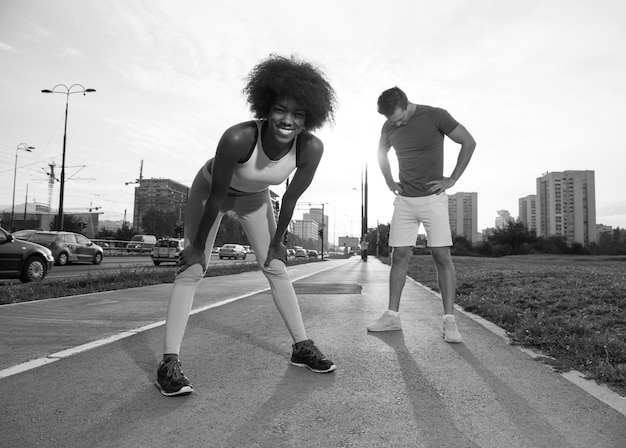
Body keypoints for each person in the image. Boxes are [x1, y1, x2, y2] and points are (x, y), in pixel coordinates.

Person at [156, 55, 338, 397]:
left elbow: (289, 199)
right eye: (280, 110)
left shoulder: (311, 148)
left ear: (308, 118)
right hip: (210, 192)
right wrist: (195, 245)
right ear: (266, 108)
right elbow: (215, 198)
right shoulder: (238, 138)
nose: (287, 120)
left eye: (298, 114)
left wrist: (278, 241)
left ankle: (302, 346)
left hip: (255, 199)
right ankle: (168, 364)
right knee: (192, 270)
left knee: (276, 267)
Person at [367, 87, 476, 343]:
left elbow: (468, 142)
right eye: (392, 121)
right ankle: (392, 316)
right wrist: (389, 180)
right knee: (399, 255)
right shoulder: (388, 126)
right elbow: (380, 154)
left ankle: (449, 321)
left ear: (406, 104)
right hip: (405, 200)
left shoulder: (436, 116)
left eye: (399, 118)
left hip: (432, 199)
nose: (397, 124)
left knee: (441, 255)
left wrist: (452, 178)